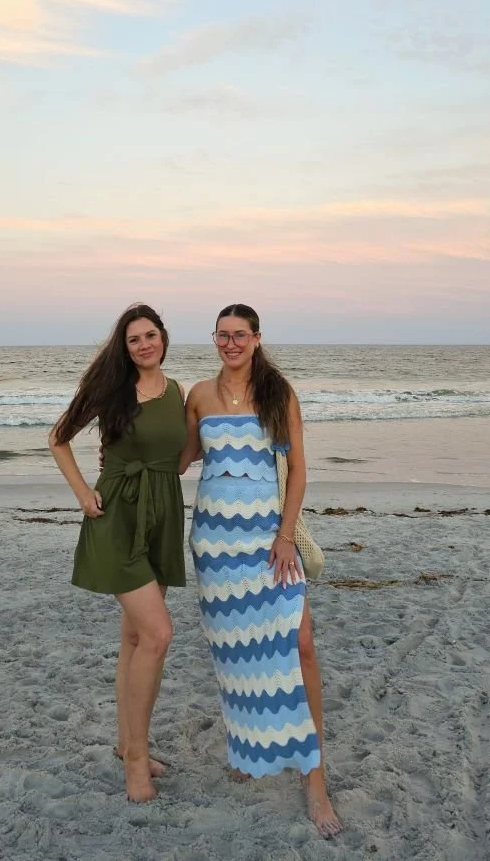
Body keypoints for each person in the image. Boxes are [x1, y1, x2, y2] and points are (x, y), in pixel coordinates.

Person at [180, 303, 343, 838]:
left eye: (240, 335)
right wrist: (123, 447)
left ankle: (315, 779)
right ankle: (251, 748)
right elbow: (180, 460)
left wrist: (284, 535)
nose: (230, 343)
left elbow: (298, 470)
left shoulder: (278, 393)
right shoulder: (199, 396)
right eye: (222, 335)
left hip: (270, 541)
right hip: (215, 543)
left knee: (301, 644)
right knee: (235, 653)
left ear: (256, 338)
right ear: (214, 339)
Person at [48, 304, 187, 803]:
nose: (144, 344)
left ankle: (128, 743)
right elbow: (58, 438)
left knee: (134, 637)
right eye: (134, 339)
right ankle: (135, 761)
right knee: (159, 634)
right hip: (118, 516)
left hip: (162, 515)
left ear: (163, 338)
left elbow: (180, 459)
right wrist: (83, 493)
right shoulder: (112, 389)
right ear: (124, 348)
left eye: (151, 335)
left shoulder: (176, 391)